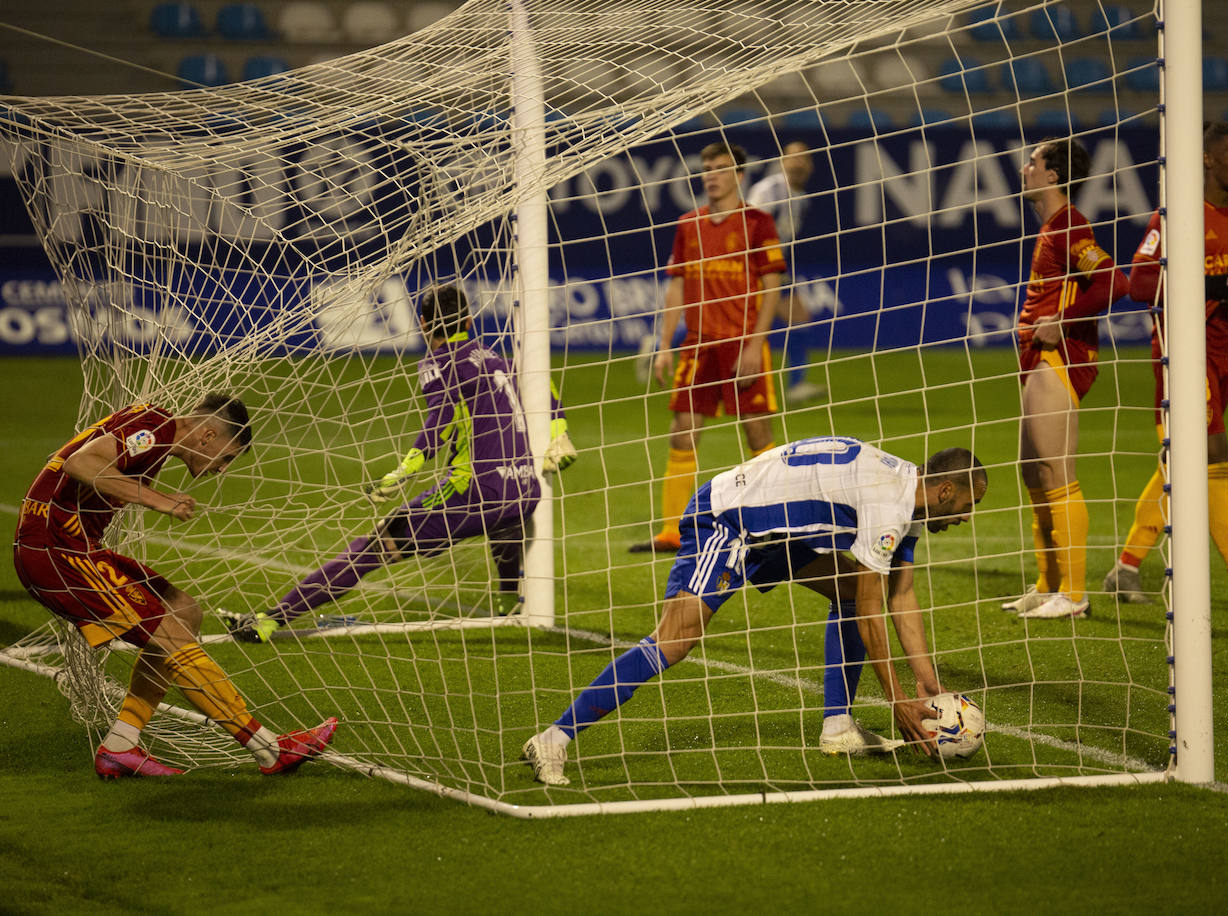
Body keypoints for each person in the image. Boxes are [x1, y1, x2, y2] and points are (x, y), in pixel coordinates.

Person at [523, 437, 988, 786]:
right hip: (728, 521)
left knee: (848, 591)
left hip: (776, 531)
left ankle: (839, 726)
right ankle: (553, 739)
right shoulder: (889, 503)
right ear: (946, 490)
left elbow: (900, 596)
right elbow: (873, 612)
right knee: (675, 642)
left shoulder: (905, 491)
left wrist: (925, 683)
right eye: (970, 505)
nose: (968, 517)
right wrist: (896, 700)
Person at [222, 283, 577, 642]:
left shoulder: (437, 364)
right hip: (526, 490)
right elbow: (544, 387)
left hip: (475, 493)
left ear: (422, 323)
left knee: (373, 546)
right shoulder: (502, 360)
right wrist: (559, 431)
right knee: (506, 518)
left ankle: (269, 621)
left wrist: (402, 472)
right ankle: (505, 601)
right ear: (469, 321)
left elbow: (438, 423)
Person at [13, 394, 338, 779]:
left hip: (74, 548)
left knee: (183, 612)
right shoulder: (157, 429)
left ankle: (120, 747)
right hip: (57, 552)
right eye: (227, 457)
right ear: (208, 436)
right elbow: (80, 462)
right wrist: (159, 501)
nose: (222, 469)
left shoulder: (154, 430)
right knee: (170, 636)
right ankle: (269, 750)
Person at [1103, 121, 1228, 610]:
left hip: (1221, 350)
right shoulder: (1175, 218)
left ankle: (1125, 568)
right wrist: (1216, 288)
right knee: (1213, 456)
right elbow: (1140, 285)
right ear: (1207, 158)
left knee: (1183, 462)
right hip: (1181, 354)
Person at [630, 141, 788, 554]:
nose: (710, 175)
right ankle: (672, 532)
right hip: (698, 346)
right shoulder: (688, 225)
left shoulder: (758, 223)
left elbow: (772, 287)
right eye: (706, 168)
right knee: (682, 432)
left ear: (739, 174)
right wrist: (665, 344)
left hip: (742, 345)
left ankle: (772, 527)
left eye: (720, 168)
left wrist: (756, 344)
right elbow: (678, 285)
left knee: (757, 432)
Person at [1002, 137, 1129, 620]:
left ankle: (1074, 594)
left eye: (1032, 162)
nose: (1024, 168)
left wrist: (1063, 318)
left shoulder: (1071, 223)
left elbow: (1114, 280)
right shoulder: (1052, 227)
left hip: (1059, 360)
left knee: (1057, 472)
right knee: (1032, 470)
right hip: (1035, 358)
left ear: (1053, 175)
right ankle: (1047, 584)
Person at [746, 140, 826, 403]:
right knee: (719, 323)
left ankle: (796, 384)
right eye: (792, 157)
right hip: (755, 268)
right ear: (782, 162)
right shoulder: (769, 190)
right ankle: (659, 346)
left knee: (799, 317)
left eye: (803, 158)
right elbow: (748, 228)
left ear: (811, 166)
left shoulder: (800, 198)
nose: (797, 163)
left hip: (774, 269)